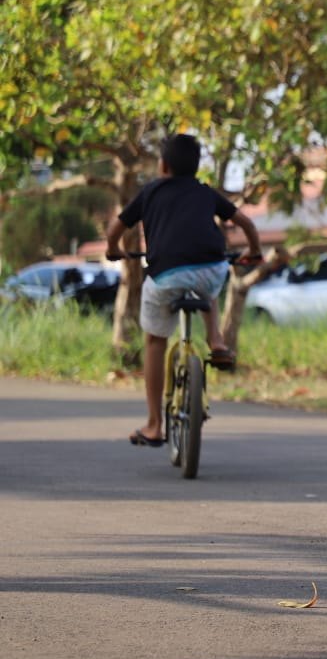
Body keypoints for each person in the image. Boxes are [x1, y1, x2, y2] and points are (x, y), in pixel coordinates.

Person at [105, 134, 262, 447]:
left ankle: (153, 425)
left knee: (155, 341)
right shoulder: (205, 192)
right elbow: (246, 223)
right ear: (196, 166)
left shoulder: (150, 192)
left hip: (165, 276)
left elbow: (117, 228)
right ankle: (215, 340)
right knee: (207, 282)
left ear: (163, 166)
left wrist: (113, 250)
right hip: (209, 270)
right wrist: (254, 252)